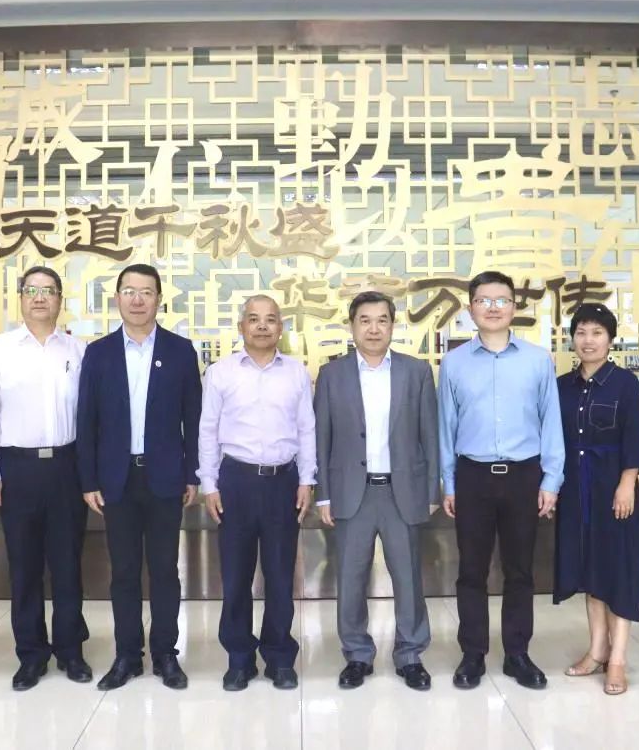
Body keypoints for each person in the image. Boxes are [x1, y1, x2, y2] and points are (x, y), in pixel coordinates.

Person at [77, 263, 202, 691]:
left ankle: (166, 654)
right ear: (117, 298)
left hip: (166, 478)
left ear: (158, 300)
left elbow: (193, 418)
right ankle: (127, 655)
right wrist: (88, 479)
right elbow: (87, 420)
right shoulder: (99, 353)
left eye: (146, 292)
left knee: (165, 570)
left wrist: (192, 473)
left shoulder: (181, 351)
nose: (137, 299)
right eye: (129, 291)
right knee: (124, 572)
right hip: (117, 480)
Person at [438, 270, 564, 691]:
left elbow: (551, 423)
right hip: (472, 475)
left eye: (501, 300)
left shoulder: (537, 360)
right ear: (470, 308)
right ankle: (473, 654)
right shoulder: (454, 362)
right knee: (471, 570)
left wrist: (551, 480)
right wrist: (449, 482)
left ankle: (517, 654)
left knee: (520, 570)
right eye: (484, 300)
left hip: (523, 475)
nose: (493, 308)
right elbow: (446, 426)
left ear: (514, 306)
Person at [0, 266, 91, 691]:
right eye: (31, 290)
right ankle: (31, 655)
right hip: (16, 468)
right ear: (21, 298)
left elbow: (91, 416)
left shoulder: (78, 351)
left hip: (66, 467)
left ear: (60, 299)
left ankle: (70, 650)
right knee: (23, 567)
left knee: (67, 565)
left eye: (48, 290)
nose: (40, 297)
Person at [315, 291, 440, 692]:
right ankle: (357, 654)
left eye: (382, 320)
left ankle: (410, 654)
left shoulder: (416, 372)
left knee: (408, 578)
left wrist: (432, 490)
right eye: (365, 320)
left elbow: (429, 435)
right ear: (352, 326)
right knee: (350, 579)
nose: (373, 328)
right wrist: (323, 494)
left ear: (392, 326)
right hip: (352, 492)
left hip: (402, 490)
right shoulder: (332, 374)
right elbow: (322, 437)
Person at [199, 295, 316, 692]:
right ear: (241, 327)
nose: (262, 326)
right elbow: (207, 430)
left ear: (281, 327)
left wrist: (307, 480)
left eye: (270, 319)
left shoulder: (296, 373)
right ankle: (239, 659)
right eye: (254, 319)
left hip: (284, 481)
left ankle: (280, 657)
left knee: (281, 576)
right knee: (236, 577)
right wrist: (209, 484)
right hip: (236, 480)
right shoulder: (221, 373)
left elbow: (307, 429)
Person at [553, 303, 639, 696]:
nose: (588, 340)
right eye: (581, 332)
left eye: (596, 333)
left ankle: (618, 659)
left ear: (610, 339)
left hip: (614, 489)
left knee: (618, 572)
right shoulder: (562, 386)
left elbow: (635, 437)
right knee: (590, 571)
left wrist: (627, 483)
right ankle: (596, 651)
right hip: (576, 489)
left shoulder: (625, 384)